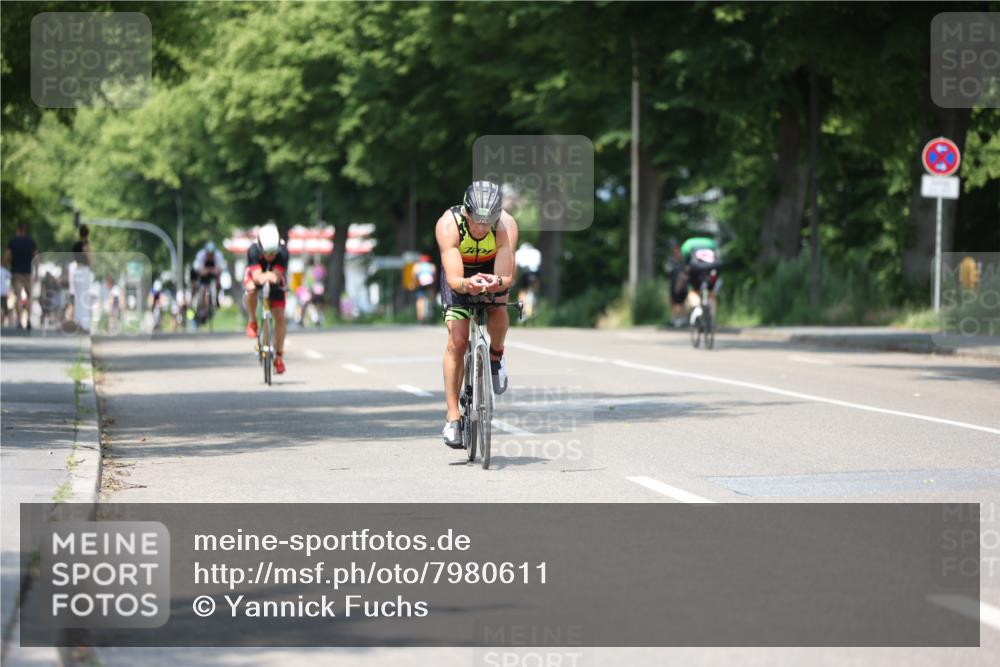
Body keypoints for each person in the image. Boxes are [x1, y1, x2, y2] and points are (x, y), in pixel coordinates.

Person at [435, 181, 518, 448]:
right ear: (466, 212)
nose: (482, 227)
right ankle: (453, 418)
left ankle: (496, 356)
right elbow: (455, 280)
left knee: (499, 311)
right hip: (459, 273)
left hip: (491, 269)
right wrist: (467, 284)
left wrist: (495, 282)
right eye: (477, 220)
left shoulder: (506, 225)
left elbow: (506, 278)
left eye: (488, 221)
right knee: (457, 341)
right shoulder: (448, 225)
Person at [244, 223, 289, 374]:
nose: (271, 256)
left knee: (280, 317)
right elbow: (256, 276)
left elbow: (276, 276)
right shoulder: (253, 251)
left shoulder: (283, 252)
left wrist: (271, 277)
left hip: (275, 280)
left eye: (273, 252)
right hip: (257, 276)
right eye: (267, 253)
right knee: (250, 289)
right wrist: (262, 278)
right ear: (260, 247)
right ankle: (252, 321)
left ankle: (279, 356)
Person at [4, 222, 38, 330]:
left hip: (16, 273)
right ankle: (28, 319)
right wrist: (36, 271)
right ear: (25, 230)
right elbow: (37, 258)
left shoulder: (13, 241)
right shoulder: (31, 242)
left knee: (18, 297)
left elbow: (6, 256)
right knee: (29, 297)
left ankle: (19, 321)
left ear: (17, 230)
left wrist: (4, 267)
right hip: (28, 273)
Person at [680, 236, 722, 321]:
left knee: (693, 291)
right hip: (713, 268)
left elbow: (686, 263)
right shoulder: (711, 243)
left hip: (697, 268)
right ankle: (711, 318)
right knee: (711, 294)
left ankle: (697, 307)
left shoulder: (687, 244)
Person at [70, 225, 93, 332]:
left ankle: (77, 322)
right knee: (85, 298)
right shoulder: (85, 245)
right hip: (84, 271)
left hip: (76, 271)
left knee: (78, 298)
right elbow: (89, 260)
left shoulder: (75, 245)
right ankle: (84, 325)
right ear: (87, 234)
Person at [193, 240, 226, 313]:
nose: (210, 256)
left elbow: (218, 270)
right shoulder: (200, 255)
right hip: (204, 274)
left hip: (212, 271)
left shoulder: (218, 256)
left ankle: (217, 296)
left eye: (212, 254)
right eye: (209, 254)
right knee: (202, 289)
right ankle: (202, 308)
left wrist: (209, 271)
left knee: (218, 282)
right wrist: (209, 270)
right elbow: (200, 271)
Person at [413, 254, 437, 323]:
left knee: (420, 301)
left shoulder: (417, 266)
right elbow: (434, 277)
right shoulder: (432, 266)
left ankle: (420, 317)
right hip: (430, 284)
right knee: (431, 297)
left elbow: (414, 276)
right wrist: (433, 285)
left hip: (421, 284)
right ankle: (430, 310)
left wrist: (414, 284)